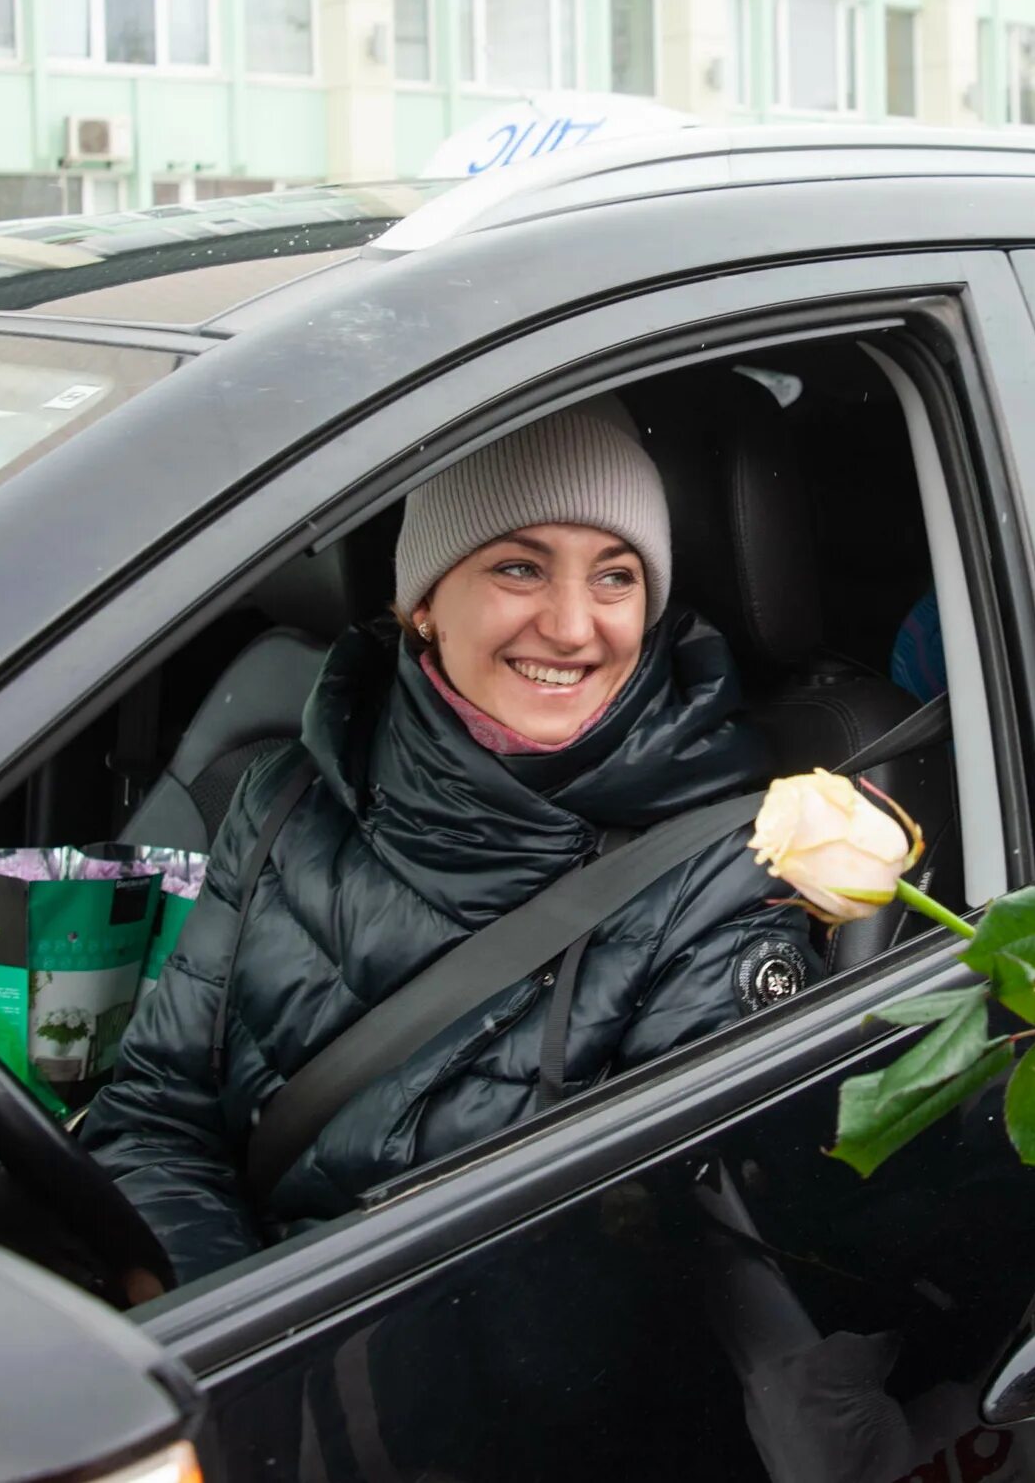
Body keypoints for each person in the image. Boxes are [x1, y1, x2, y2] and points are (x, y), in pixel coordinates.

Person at [85, 399, 819, 1285]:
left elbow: (653, 1273)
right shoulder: (288, 797)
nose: (574, 625)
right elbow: (158, 1118)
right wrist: (203, 1336)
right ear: (423, 602)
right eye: (520, 567)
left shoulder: (727, 875)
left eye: (616, 577)